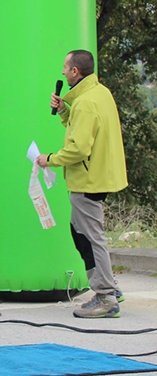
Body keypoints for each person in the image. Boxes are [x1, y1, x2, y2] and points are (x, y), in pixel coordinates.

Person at [37, 49, 128, 319]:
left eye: (65, 68)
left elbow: (78, 148)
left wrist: (49, 159)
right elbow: (80, 127)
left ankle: (106, 296)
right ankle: (109, 286)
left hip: (88, 178)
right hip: (99, 174)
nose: (62, 72)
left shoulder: (86, 102)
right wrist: (65, 111)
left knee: (89, 236)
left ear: (75, 71)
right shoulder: (99, 94)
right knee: (81, 232)